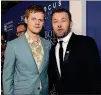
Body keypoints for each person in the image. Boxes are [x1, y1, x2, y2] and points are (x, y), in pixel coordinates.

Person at [48, 8, 101, 94]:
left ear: (70, 23)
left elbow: (96, 77)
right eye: (55, 21)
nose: (59, 25)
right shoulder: (52, 49)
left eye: (63, 20)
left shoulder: (86, 42)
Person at [3, 5, 51, 95]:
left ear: (43, 22)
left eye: (40, 20)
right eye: (33, 19)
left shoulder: (47, 44)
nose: (37, 22)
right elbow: (7, 78)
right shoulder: (13, 45)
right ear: (26, 20)